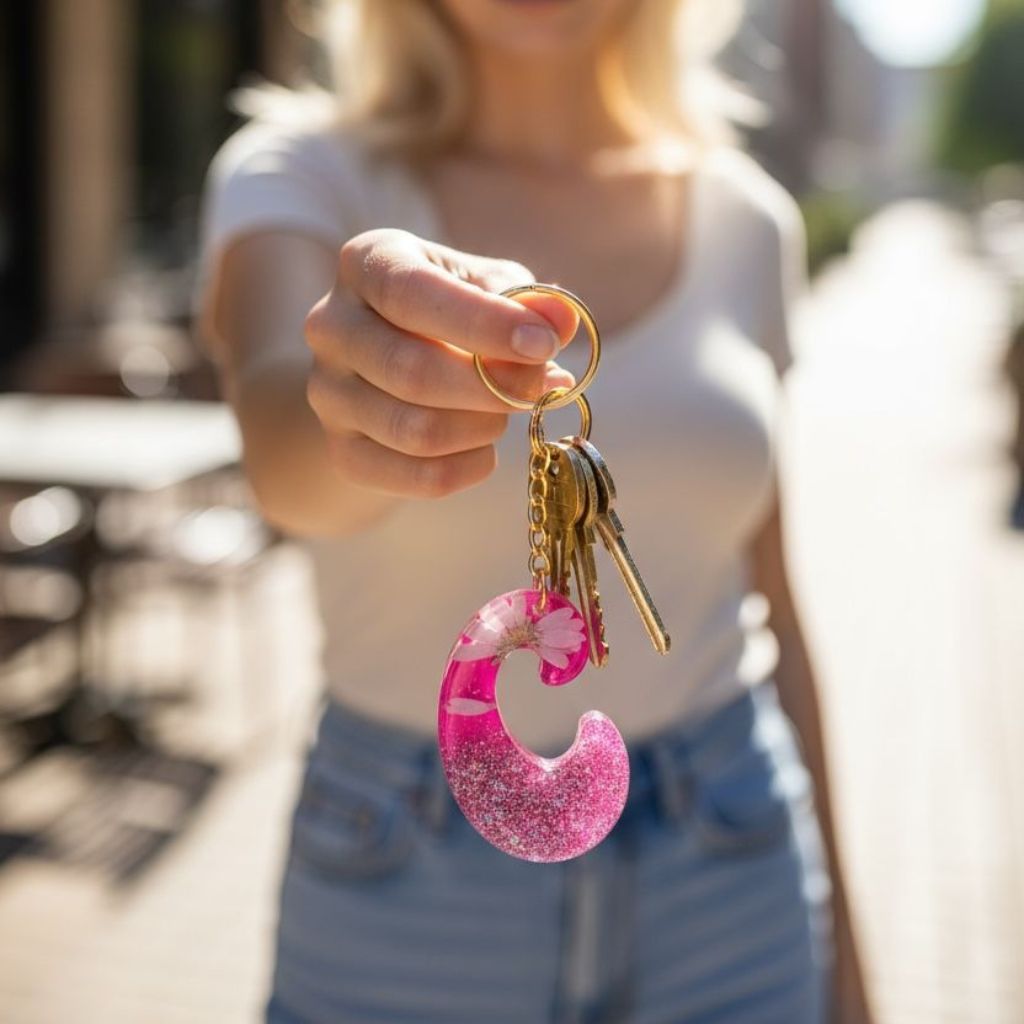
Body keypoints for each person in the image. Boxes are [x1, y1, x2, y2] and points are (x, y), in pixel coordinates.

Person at [197, 1, 873, 1020]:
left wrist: (850, 967)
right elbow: (283, 458)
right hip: (406, 871)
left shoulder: (745, 216)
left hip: (732, 850)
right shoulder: (297, 173)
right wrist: (358, 406)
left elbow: (768, 594)